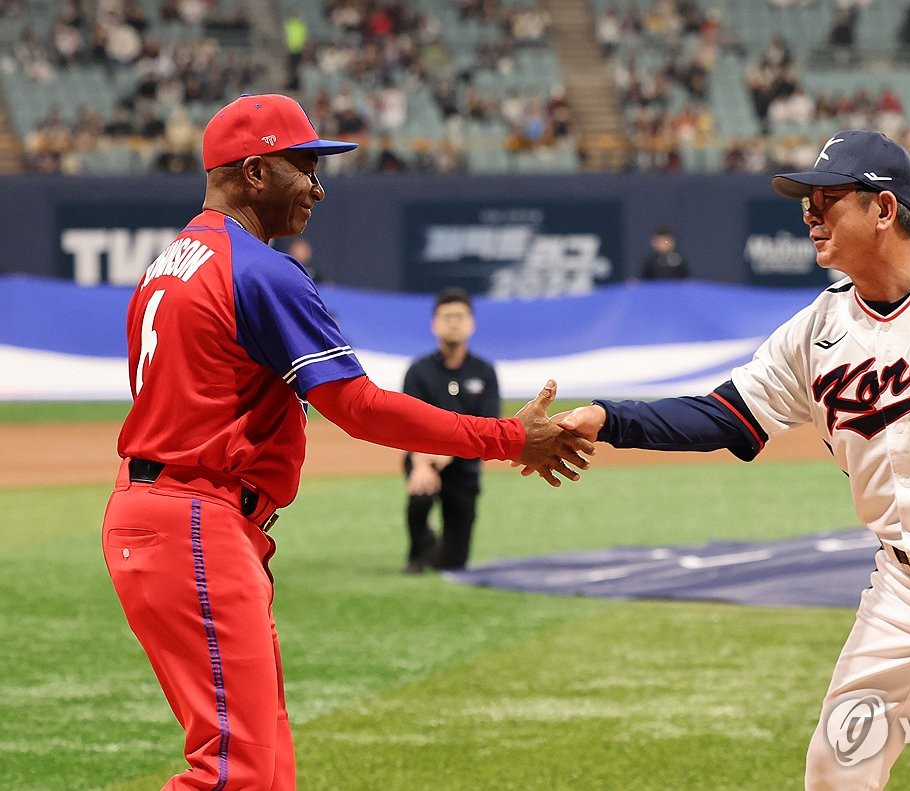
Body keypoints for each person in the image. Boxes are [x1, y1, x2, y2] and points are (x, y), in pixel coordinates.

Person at [550, 131, 910, 790]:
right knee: (836, 766)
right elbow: (723, 417)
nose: (809, 213)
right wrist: (607, 418)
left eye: (827, 197)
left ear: (884, 210)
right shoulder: (814, 334)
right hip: (899, 582)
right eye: (807, 199)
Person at [99, 93, 592, 790]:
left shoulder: (165, 266)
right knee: (234, 773)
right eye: (303, 166)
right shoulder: (259, 270)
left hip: (166, 515)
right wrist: (509, 436)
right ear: (254, 172)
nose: (319, 187)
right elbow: (357, 407)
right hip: (196, 519)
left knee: (266, 767)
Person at [402, 288, 499, 573]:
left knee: (455, 561)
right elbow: (408, 425)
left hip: (465, 467)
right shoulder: (418, 371)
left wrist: (450, 451)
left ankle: (434, 544)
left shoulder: (484, 372)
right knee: (421, 493)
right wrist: (422, 463)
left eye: (460, 316)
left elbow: (489, 426)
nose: (453, 322)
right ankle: (415, 553)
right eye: (446, 316)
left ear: (472, 323)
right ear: (434, 323)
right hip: (424, 457)